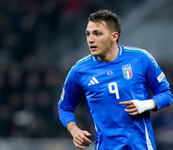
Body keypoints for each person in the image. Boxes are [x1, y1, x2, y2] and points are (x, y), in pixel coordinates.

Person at [58, 9, 173, 150]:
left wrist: (146, 104)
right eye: (88, 34)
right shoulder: (79, 71)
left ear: (114, 36)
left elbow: (167, 94)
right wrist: (74, 130)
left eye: (97, 33)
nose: (90, 39)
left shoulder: (140, 59)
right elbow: (64, 108)